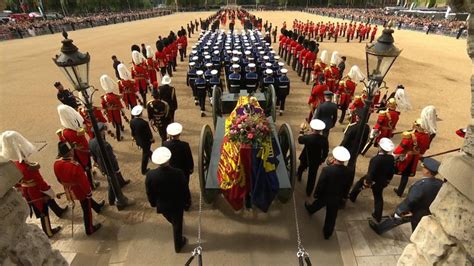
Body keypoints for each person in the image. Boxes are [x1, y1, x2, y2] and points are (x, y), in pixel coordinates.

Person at [1, 131, 68, 238]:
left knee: (49, 200)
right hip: (35, 191)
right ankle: (48, 231)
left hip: (26, 190)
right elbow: (40, 182)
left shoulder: (14, 164)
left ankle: (58, 211)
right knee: (43, 211)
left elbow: (16, 183)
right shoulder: (28, 167)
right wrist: (49, 190)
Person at [369, 158, 443, 234]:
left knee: (398, 219)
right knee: (416, 228)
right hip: (426, 211)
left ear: (427, 171)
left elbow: (410, 200)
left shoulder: (420, 185)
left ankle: (379, 229)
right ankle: (380, 228)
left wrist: (400, 211)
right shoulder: (439, 183)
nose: (422, 168)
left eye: (424, 167)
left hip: (413, 210)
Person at [145, 147, 190, 253]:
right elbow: (185, 189)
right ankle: (178, 245)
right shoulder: (178, 173)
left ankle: (175, 225)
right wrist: (187, 201)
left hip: (162, 205)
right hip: (176, 204)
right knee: (177, 225)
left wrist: (153, 203)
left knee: (172, 220)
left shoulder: (150, 175)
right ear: (169, 159)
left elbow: (149, 192)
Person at [54, 141, 104, 236]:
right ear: (70, 152)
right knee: (86, 207)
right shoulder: (75, 165)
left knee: (87, 202)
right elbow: (83, 182)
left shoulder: (56, 164)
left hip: (70, 188)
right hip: (80, 189)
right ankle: (89, 228)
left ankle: (97, 207)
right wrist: (88, 192)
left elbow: (59, 179)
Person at [304, 146, 352, 239]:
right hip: (337, 197)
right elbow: (347, 185)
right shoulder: (348, 171)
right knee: (332, 216)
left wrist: (316, 193)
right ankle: (327, 233)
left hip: (325, 195)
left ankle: (310, 209)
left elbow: (321, 183)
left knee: (317, 204)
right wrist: (344, 196)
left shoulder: (327, 170)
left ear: (334, 158)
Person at [349, 138, 395, 222]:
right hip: (382, 181)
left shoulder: (375, 159)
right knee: (378, 197)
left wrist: (367, 182)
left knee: (359, 184)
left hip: (373, 179)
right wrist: (388, 180)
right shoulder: (391, 158)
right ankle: (378, 215)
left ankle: (352, 196)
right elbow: (391, 171)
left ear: (380, 148)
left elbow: (371, 172)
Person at [56, 104, 99, 189]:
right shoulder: (76, 132)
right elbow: (85, 144)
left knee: (82, 168)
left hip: (74, 155)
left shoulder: (64, 132)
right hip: (82, 153)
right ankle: (92, 185)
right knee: (87, 168)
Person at [89, 122, 130, 206]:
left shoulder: (91, 142)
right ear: (101, 132)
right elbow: (111, 158)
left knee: (114, 178)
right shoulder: (105, 145)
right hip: (109, 166)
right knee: (111, 182)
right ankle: (111, 199)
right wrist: (116, 168)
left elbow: (93, 155)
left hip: (101, 164)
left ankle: (121, 182)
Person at [393, 119, 431, 197]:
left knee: (395, 168)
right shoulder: (426, 137)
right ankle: (400, 191)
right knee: (405, 175)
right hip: (415, 158)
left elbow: (402, 147)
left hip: (406, 157)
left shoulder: (411, 136)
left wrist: (394, 153)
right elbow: (424, 149)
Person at [162, 123, 193, 210]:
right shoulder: (185, 145)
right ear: (179, 134)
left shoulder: (165, 144)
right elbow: (189, 158)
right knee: (185, 186)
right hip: (183, 169)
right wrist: (191, 168)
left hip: (170, 168)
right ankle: (186, 204)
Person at [297, 119, 329, 197]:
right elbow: (326, 151)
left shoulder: (308, 138)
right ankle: (309, 191)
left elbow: (300, 140)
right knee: (312, 176)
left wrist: (301, 130)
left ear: (312, 128)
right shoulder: (324, 139)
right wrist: (322, 159)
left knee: (301, 167)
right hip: (316, 160)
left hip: (305, 157)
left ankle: (299, 176)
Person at [130, 105, 154, 175]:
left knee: (147, 150)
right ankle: (143, 170)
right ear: (141, 114)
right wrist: (152, 139)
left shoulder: (132, 121)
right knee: (145, 154)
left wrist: (134, 137)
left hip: (139, 140)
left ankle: (152, 156)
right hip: (145, 141)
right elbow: (149, 133)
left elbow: (133, 132)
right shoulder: (144, 123)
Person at [100, 74, 125, 141]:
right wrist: (122, 110)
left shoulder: (104, 97)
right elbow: (119, 105)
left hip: (109, 112)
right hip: (116, 112)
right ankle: (119, 137)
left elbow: (103, 106)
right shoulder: (115, 97)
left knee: (114, 122)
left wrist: (106, 111)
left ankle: (119, 129)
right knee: (118, 123)